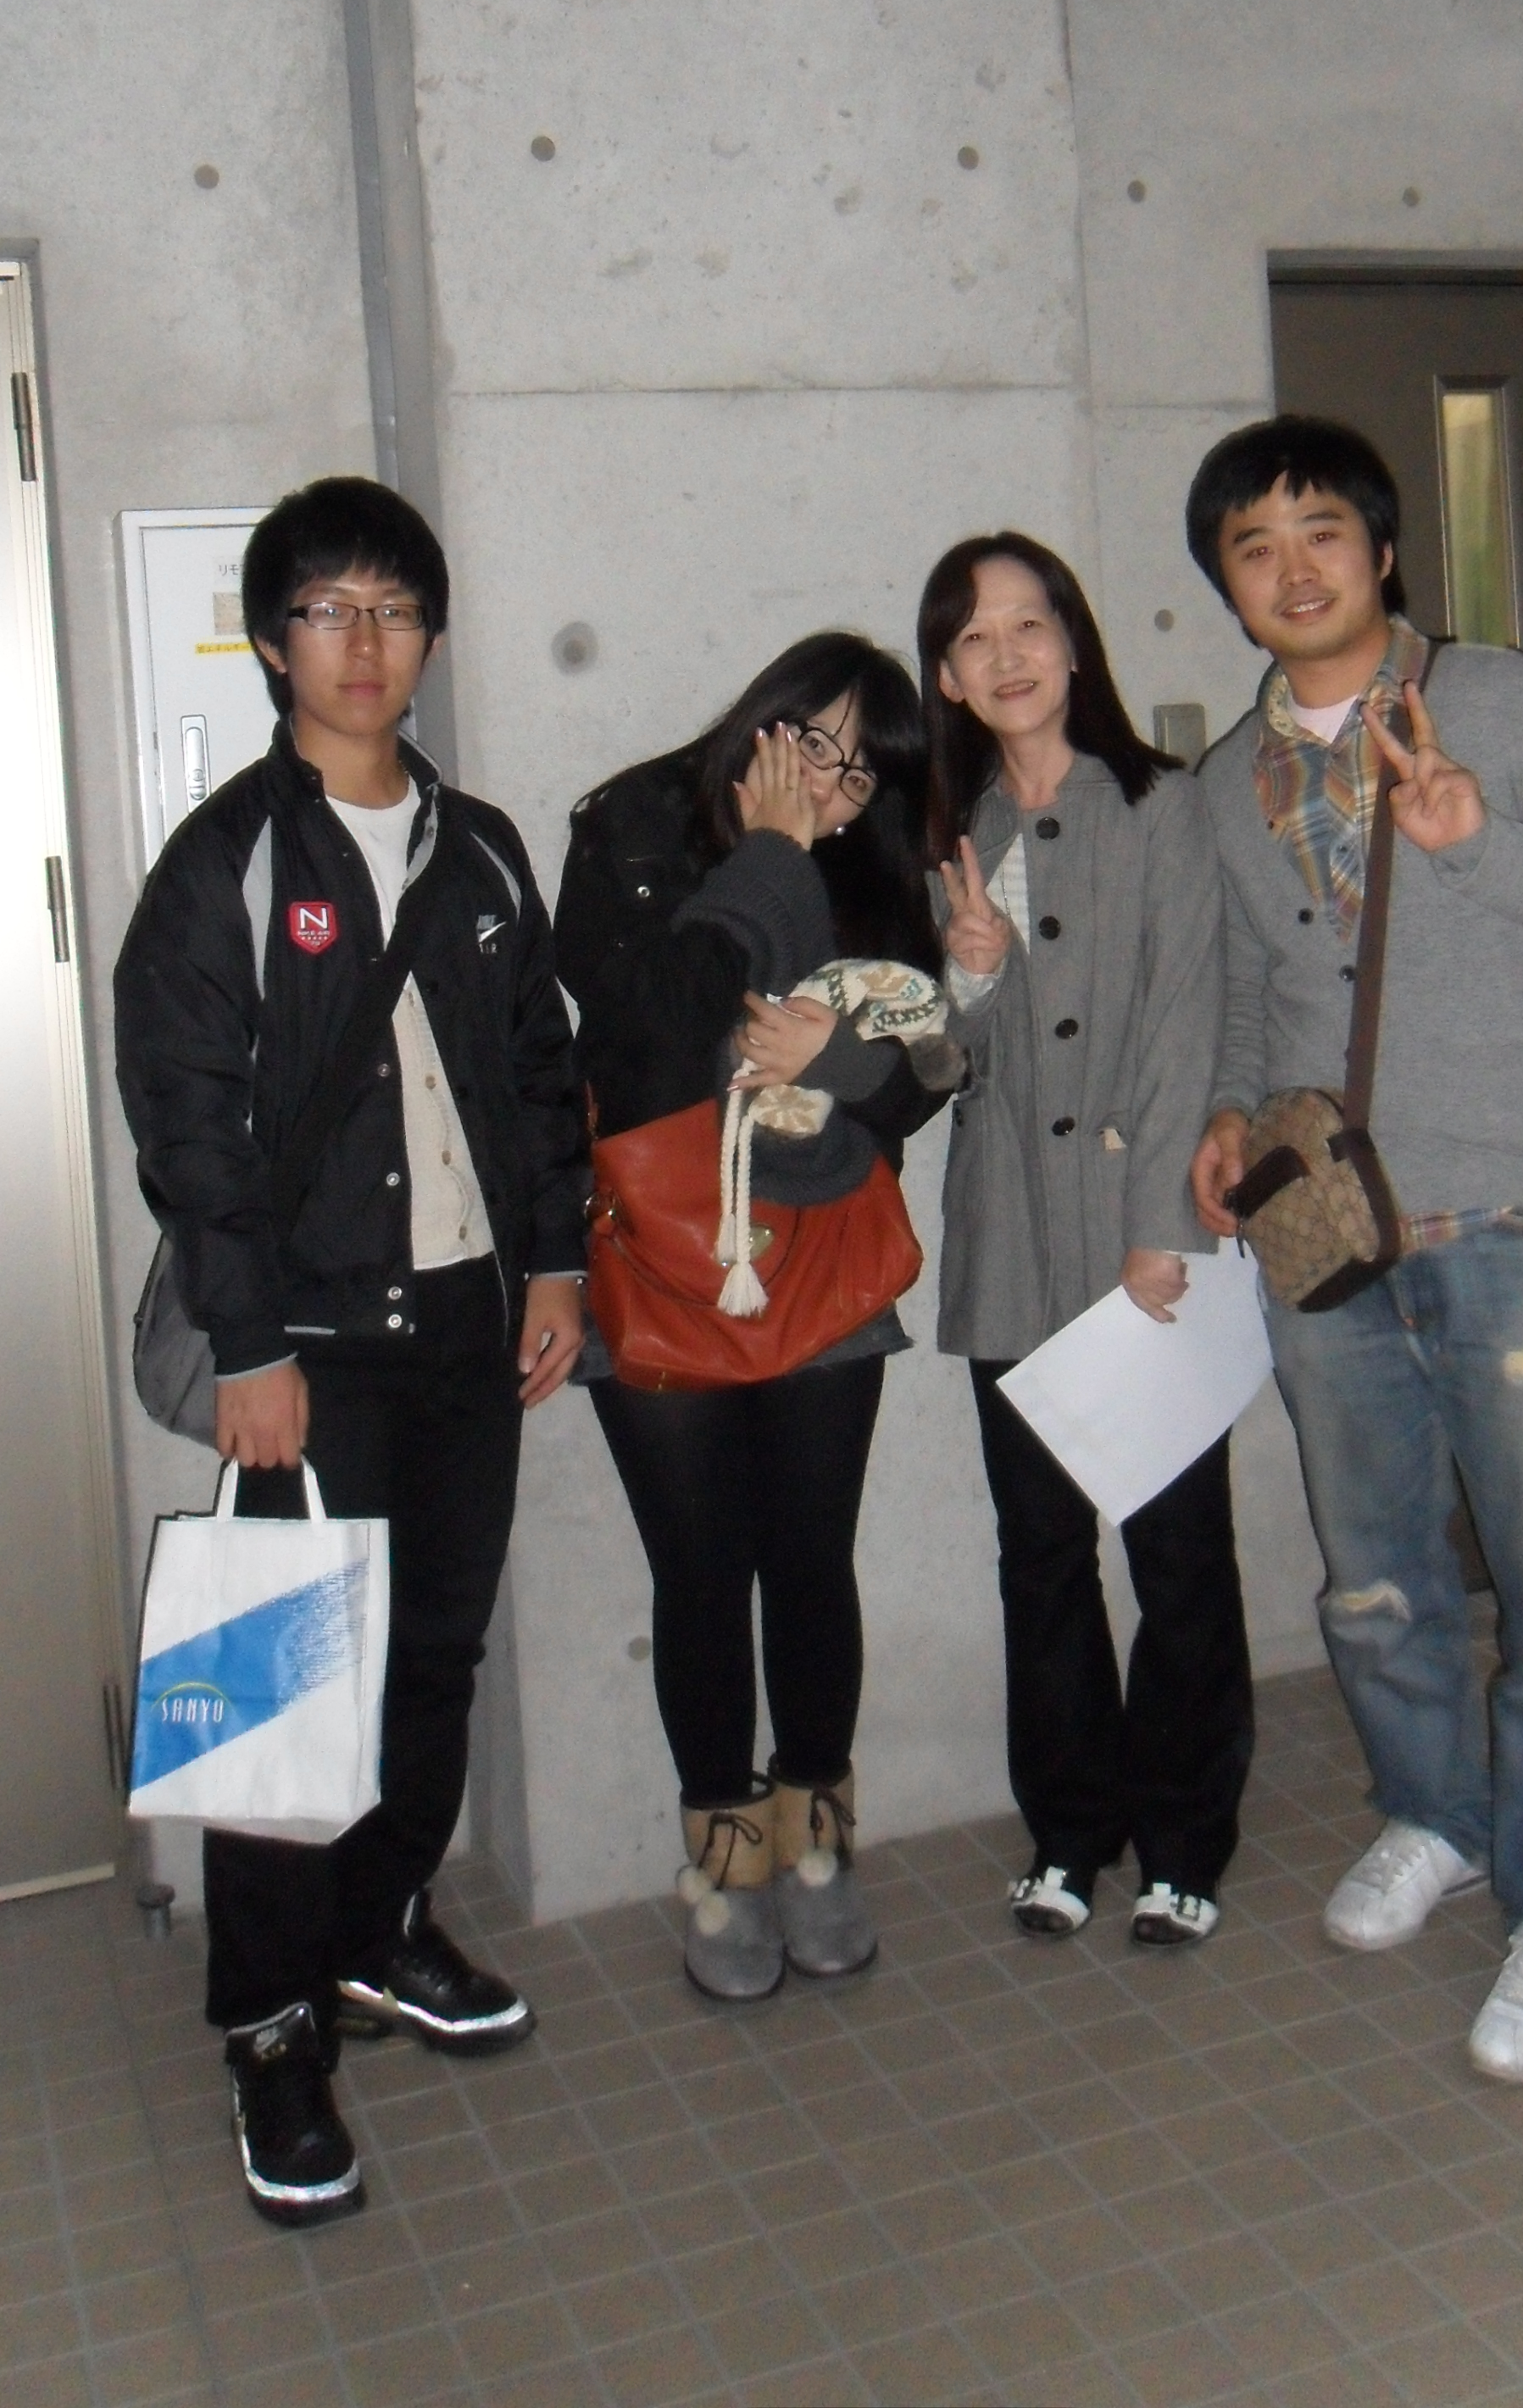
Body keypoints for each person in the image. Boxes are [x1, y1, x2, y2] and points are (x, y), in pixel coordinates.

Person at [115, 478, 586, 2226]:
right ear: (274, 641)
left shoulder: (484, 848)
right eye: (327, 609)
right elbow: (187, 1128)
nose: (364, 641)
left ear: (430, 637)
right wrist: (247, 1346)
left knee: (434, 1661)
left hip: (469, 1326)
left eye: (393, 608)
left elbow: (539, 1075)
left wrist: (557, 1264)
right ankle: (268, 2026)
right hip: (305, 1346)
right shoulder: (225, 862)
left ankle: (380, 1928)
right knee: (274, 1696)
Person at [1186, 415, 1523, 2083]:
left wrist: (1480, 842)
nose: (1294, 567)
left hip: (1515, 1217)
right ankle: (1438, 1818)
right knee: (1376, 1576)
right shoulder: (1226, 784)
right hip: (1328, 1238)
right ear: (1230, 587)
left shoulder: (1504, 703)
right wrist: (1232, 1116)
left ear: (1383, 551)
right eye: (1255, 547)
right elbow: (1251, 989)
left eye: (1321, 530)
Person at [554, 633, 954, 2003]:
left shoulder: (880, 868)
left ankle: (819, 1845)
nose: (833, 787)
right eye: (816, 745)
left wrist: (837, 1060)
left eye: (863, 775)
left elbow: (923, 1078)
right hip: (663, 1255)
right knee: (701, 1572)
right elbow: (643, 1042)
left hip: (825, 1253)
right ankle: (724, 1866)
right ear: (763, 720)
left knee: (810, 1559)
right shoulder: (631, 827)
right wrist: (776, 857)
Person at [916, 531, 1253, 1949]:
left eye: (1029, 623)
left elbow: (1192, 1021)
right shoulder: (958, 836)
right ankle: (1069, 1833)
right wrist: (969, 977)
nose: (1007, 655)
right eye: (975, 636)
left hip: (1137, 1240)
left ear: (1073, 639)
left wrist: (1160, 1230)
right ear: (947, 674)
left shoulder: (1161, 807)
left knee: (1177, 1555)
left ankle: (1184, 1841)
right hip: (1010, 1241)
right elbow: (950, 1067)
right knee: (1041, 1554)